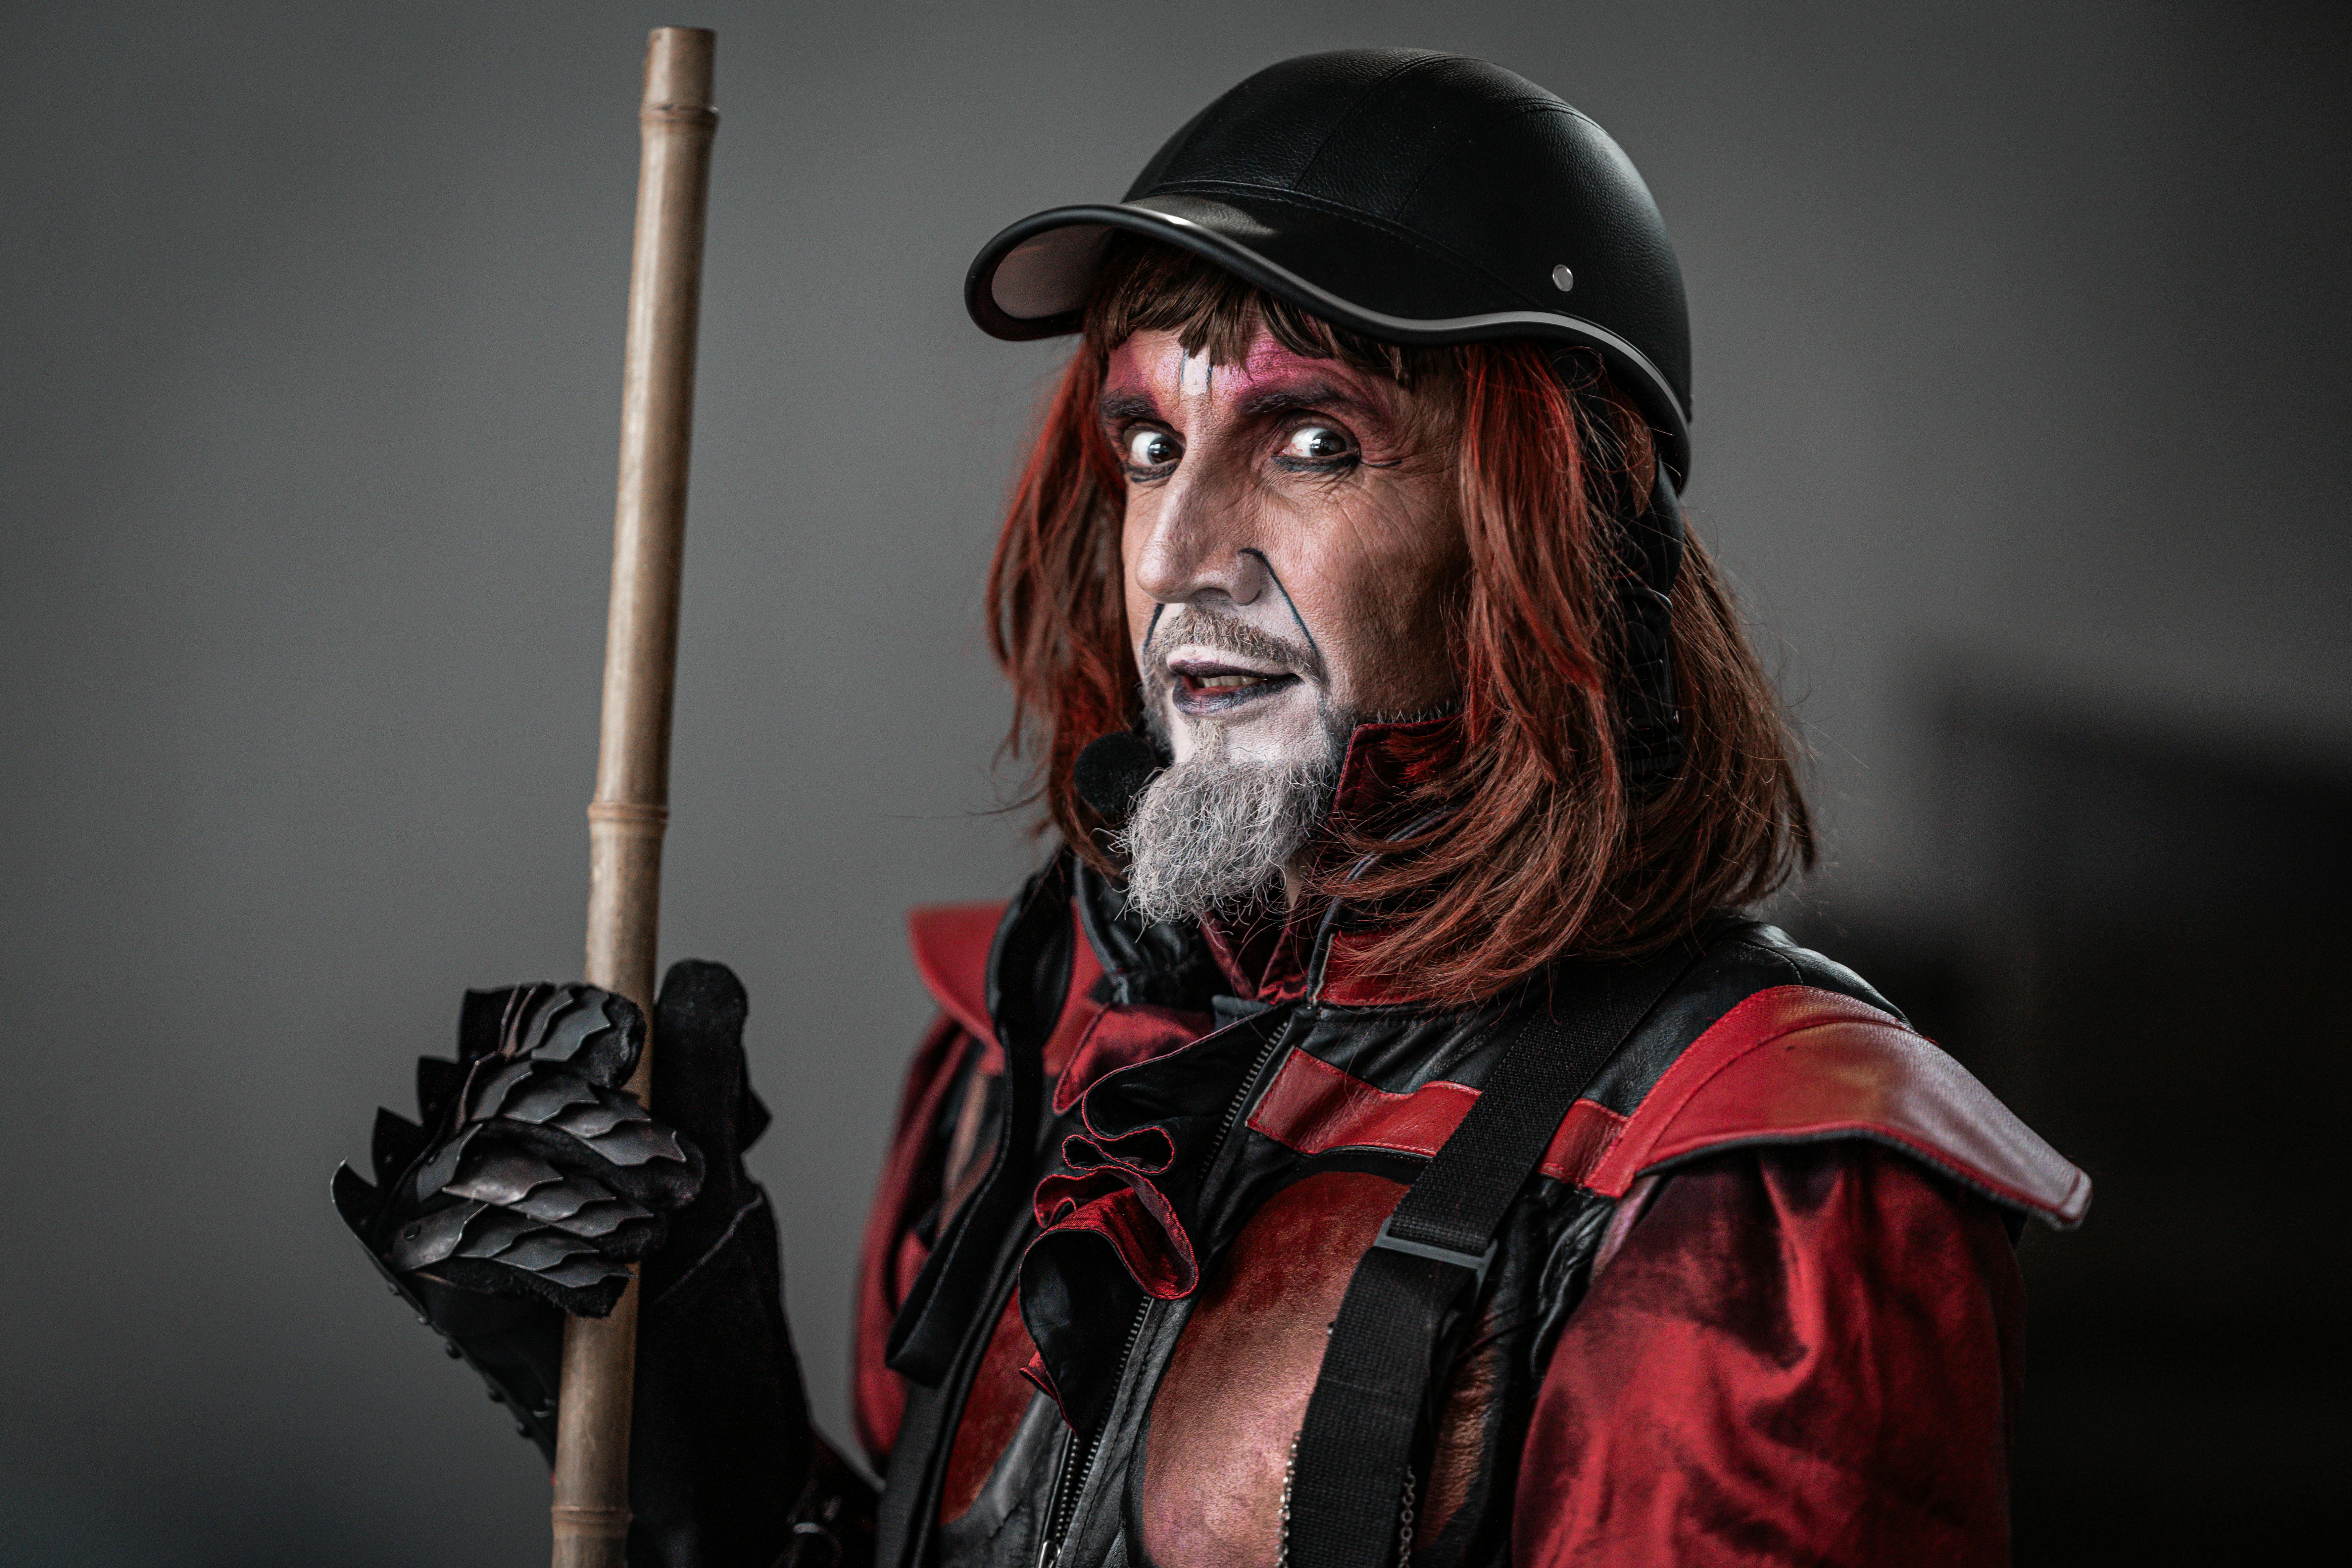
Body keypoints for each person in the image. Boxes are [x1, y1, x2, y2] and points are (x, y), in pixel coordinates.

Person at [336, 48, 2087, 1568]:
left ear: (1555, 521)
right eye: (1149, 445)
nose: (1178, 555)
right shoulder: (1038, 1028)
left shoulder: (1756, 1179)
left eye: (1313, 442)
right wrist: (694, 1451)